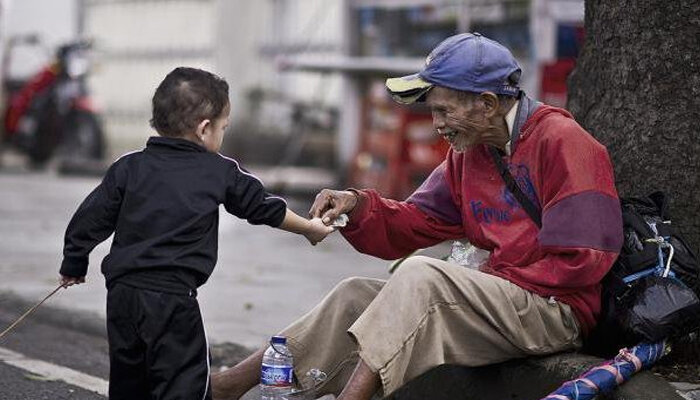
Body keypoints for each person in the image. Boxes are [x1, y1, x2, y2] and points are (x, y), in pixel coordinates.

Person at [211, 33, 623, 400]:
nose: (437, 124)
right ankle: (228, 385)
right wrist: (357, 204)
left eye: (444, 111)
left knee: (422, 277)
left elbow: (582, 257)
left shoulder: (564, 143)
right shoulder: (469, 153)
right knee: (354, 293)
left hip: (556, 312)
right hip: (502, 302)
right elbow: (415, 222)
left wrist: (486, 279)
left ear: (488, 103)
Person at [58, 67, 334, 400]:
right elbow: (263, 207)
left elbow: (90, 218)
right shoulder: (219, 170)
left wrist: (74, 262)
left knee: (129, 380)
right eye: (223, 128)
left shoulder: (128, 167)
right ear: (205, 129)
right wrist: (309, 228)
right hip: (173, 301)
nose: (222, 136)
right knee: (184, 383)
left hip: (122, 296)